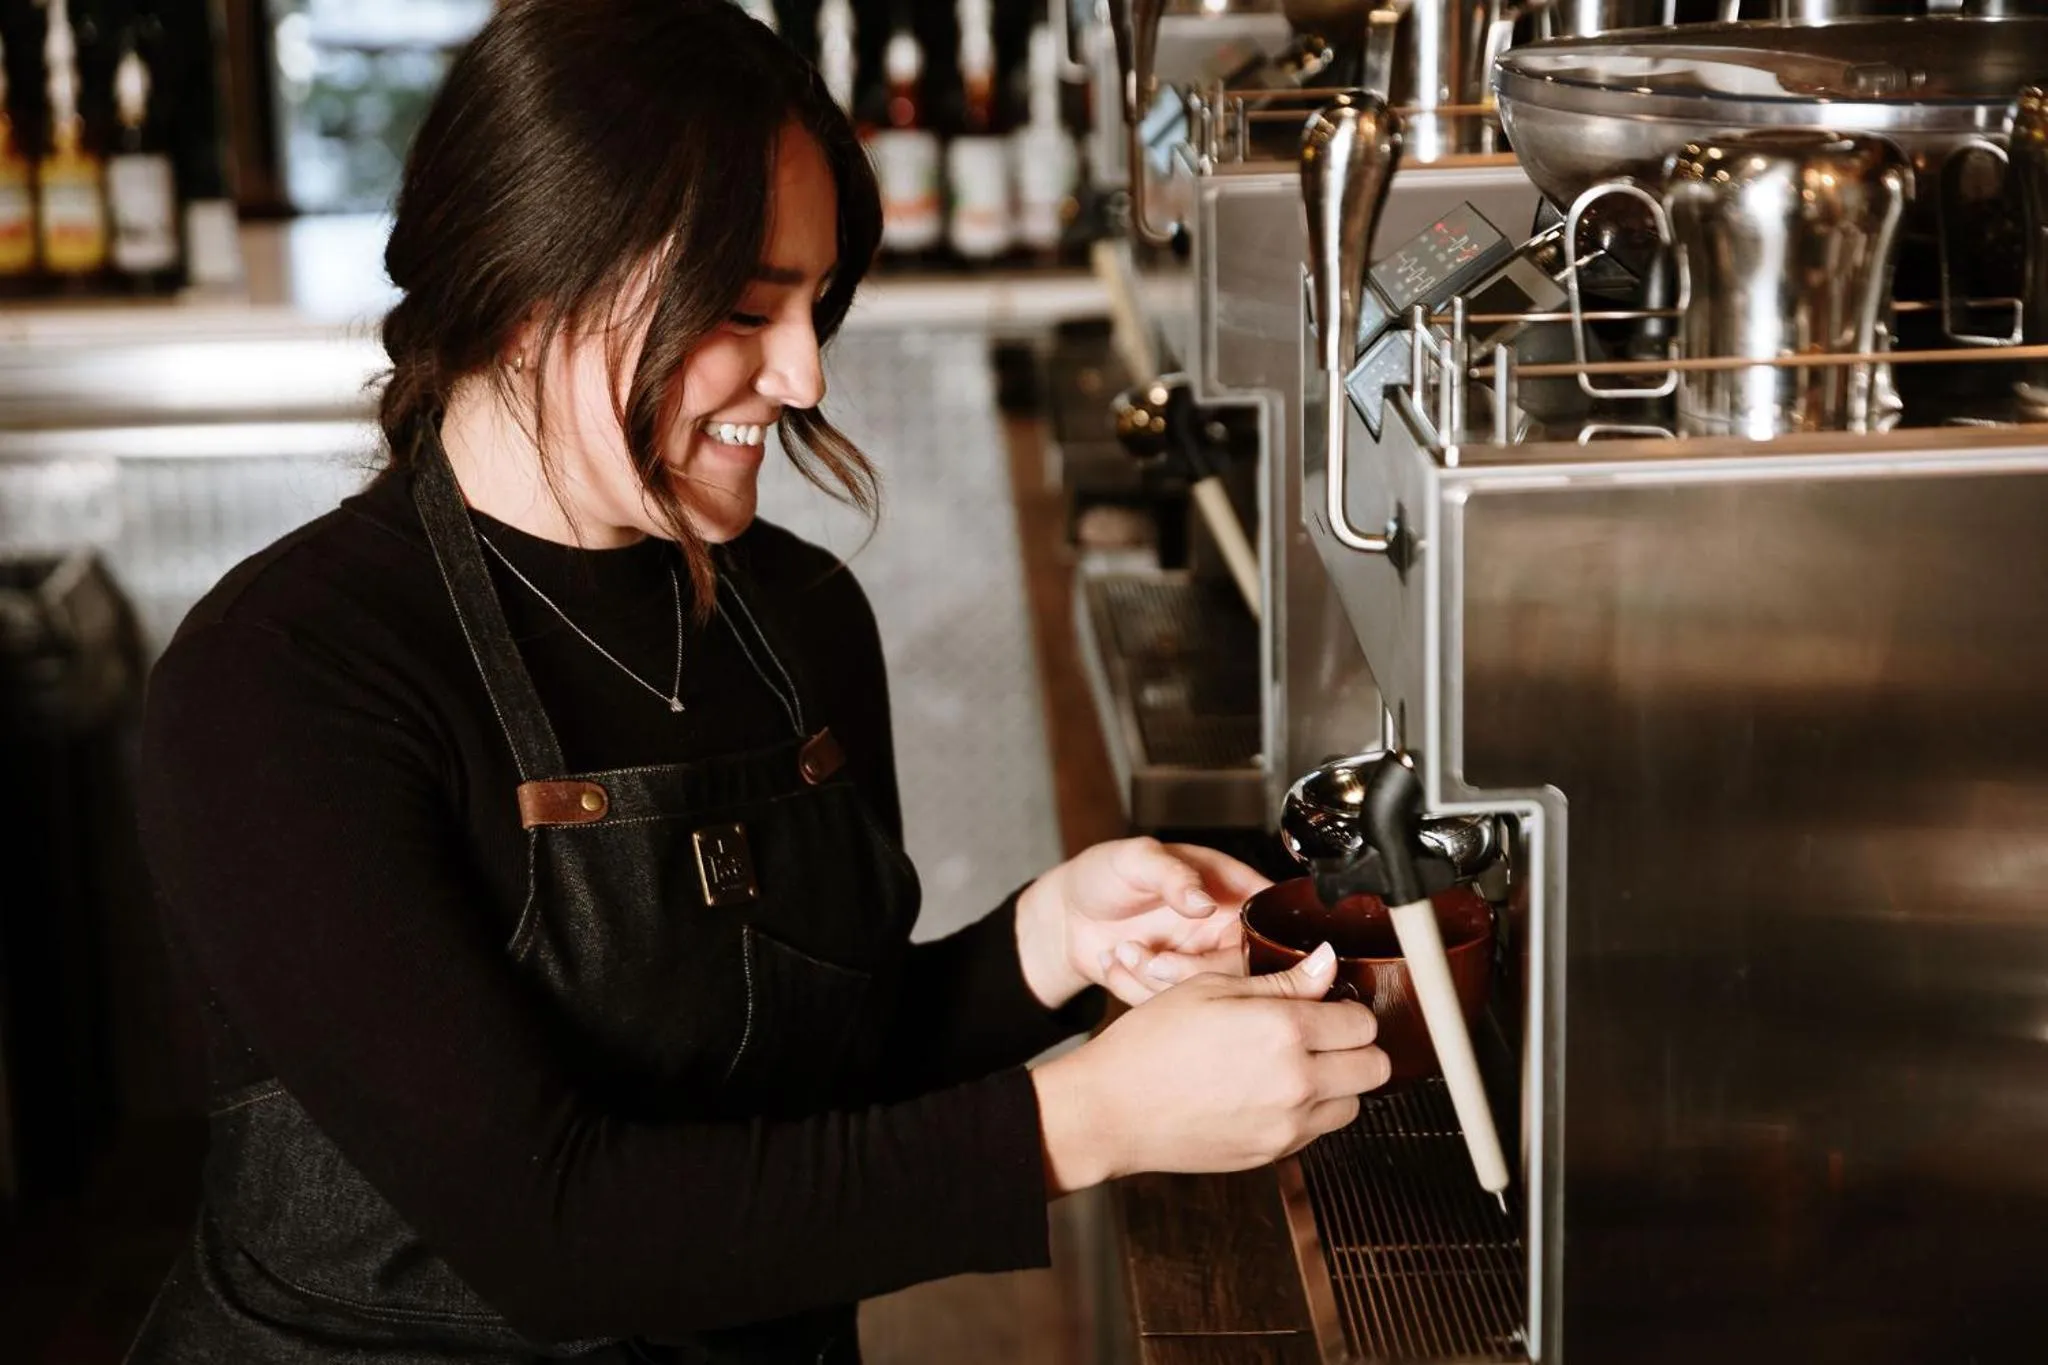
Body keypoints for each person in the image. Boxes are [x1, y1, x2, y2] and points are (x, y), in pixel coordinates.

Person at [126, 2, 1388, 1362]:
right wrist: (1085, 1119)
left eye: (813, 300)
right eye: (742, 310)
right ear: (523, 286)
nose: (803, 374)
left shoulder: (792, 613)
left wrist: (1053, 942)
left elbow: (793, 1069)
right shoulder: (287, 681)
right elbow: (556, 1237)